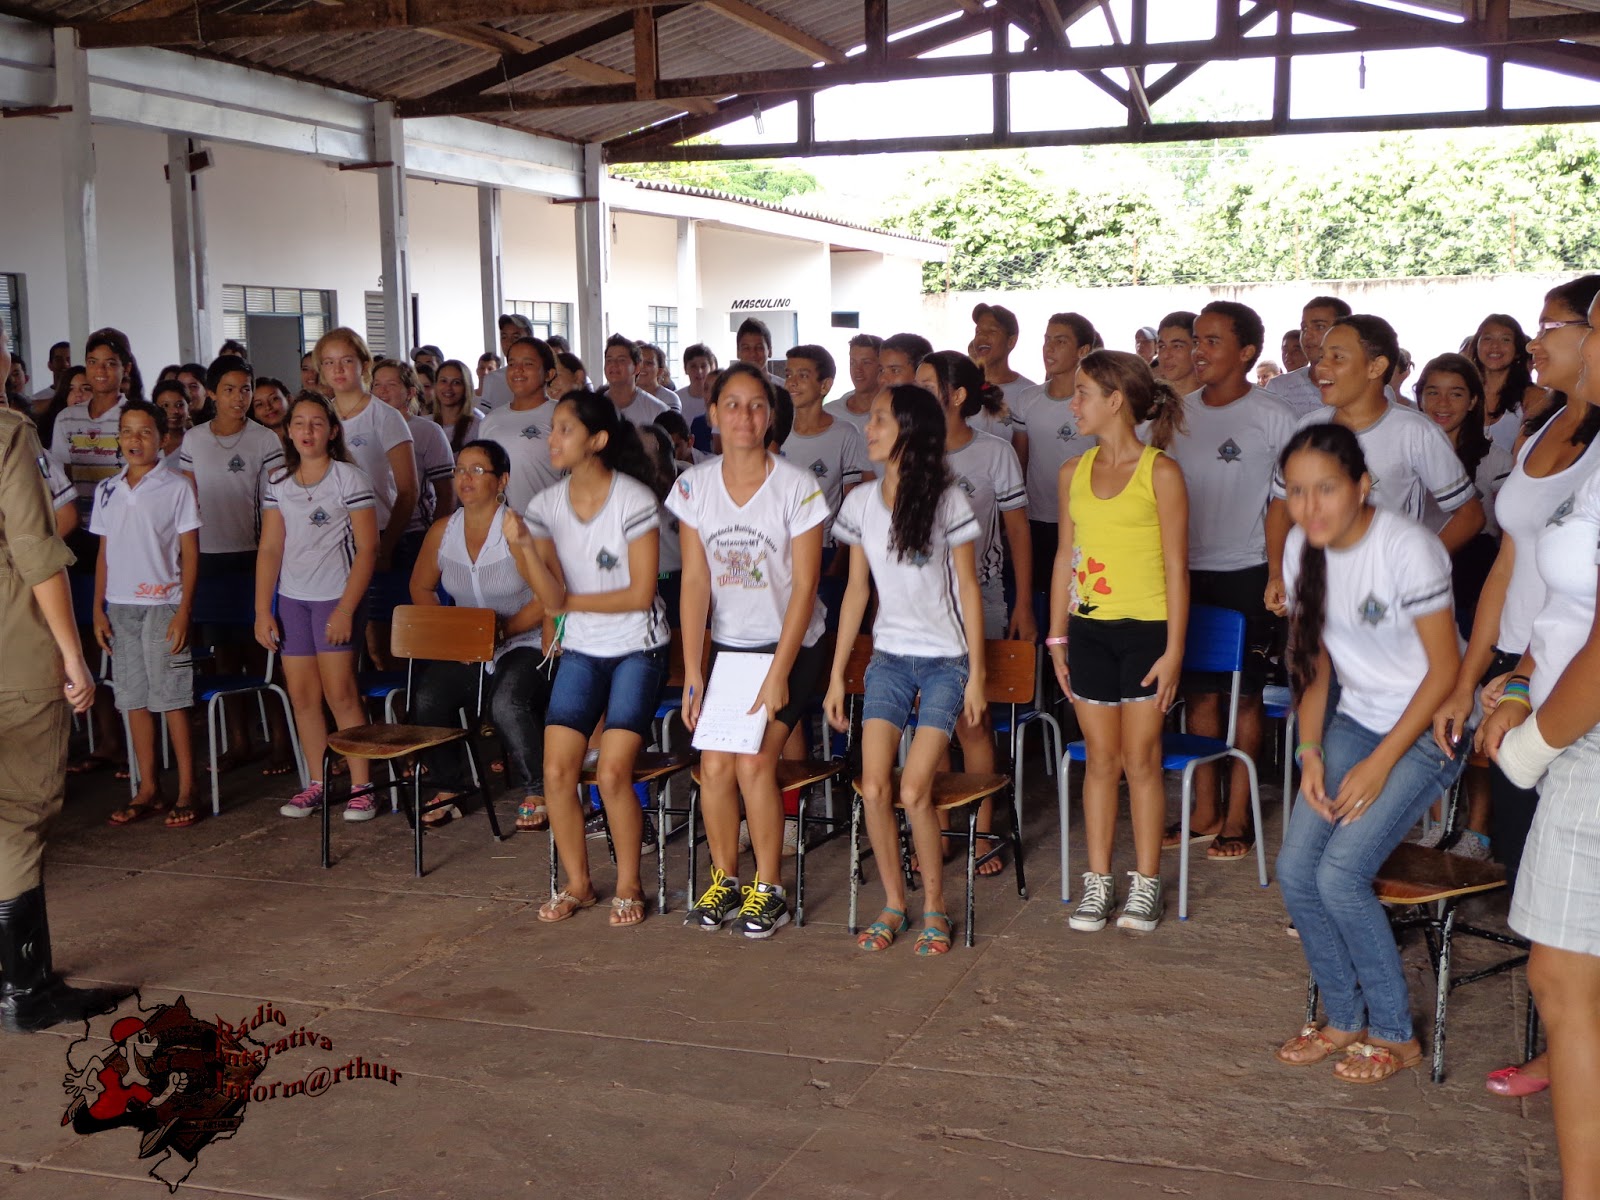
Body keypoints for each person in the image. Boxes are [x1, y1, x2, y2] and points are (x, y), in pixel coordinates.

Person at [1440, 275, 1600, 1100]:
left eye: (1558, 326)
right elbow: (1509, 561)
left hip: (1575, 688)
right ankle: (1564, 1039)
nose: (1539, 342)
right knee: (1530, 862)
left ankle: (1569, 1044)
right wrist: (1481, 675)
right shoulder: (1543, 428)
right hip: (1528, 664)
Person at [1272, 423, 1464, 1084]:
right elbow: (1316, 665)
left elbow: (1445, 671)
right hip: (1354, 717)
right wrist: (1311, 752)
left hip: (1428, 728)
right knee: (1296, 871)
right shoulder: (1300, 546)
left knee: (1340, 875)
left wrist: (1379, 765)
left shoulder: (1408, 547)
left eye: (1325, 489)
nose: (1310, 506)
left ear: (1362, 485)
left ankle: (1394, 1033)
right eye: (1297, 491)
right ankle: (1345, 1018)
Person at [1479, 281, 1600, 1194]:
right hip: (1562, 711)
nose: (1577, 343)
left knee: (1563, 978)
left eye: (1586, 328)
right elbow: (1557, 600)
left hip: (1583, 735)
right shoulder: (1565, 443)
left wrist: (1534, 745)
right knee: (1566, 976)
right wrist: (1517, 678)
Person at [825, 385, 986, 955]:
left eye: (879, 420)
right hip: (888, 660)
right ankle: (894, 903)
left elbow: (969, 589)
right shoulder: (859, 503)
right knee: (873, 786)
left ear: (909, 432)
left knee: (915, 789)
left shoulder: (950, 501)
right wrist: (837, 674)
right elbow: (855, 592)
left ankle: (935, 907)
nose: (867, 429)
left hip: (945, 661)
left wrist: (978, 675)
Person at [671, 363, 829, 938]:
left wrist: (779, 671)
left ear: (771, 416)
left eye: (757, 404)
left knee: (756, 761)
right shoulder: (693, 486)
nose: (745, 415)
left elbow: (806, 587)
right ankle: (725, 880)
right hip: (731, 650)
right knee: (713, 765)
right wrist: (694, 670)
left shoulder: (797, 486)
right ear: (712, 414)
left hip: (793, 645)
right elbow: (695, 582)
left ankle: (770, 889)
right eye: (732, 404)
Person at [503, 391, 670, 928]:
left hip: (637, 648)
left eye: (565, 430)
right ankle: (578, 884)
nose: (552, 439)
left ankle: (629, 884)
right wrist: (523, 547)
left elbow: (640, 594)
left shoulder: (633, 498)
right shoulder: (544, 507)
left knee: (613, 772)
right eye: (552, 428)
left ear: (597, 440)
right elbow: (550, 595)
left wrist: (568, 603)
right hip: (581, 648)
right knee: (556, 771)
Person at [0, 349, 130, 1033]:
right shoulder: (6, 434)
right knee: (19, 813)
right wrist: (73, 655)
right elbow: (35, 549)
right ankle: (26, 991)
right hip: (12, 651)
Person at [1047, 351, 1189, 934]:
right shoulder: (1071, 471)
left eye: (1082, 392)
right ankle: (1098, 882)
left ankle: (1147, 884)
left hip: (1146, 635)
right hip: (1088, 633)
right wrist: (1056, 636)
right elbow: (1065, 555)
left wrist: (1174, 651)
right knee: (1100, 761)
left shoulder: (1161, 472)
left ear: (1114, 400)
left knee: (1141, 760)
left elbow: (1178, 567)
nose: (1072, 403)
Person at [1166, 300, 1297, 860]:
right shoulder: (1175, 413)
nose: (1199, 351)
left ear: (1247, 353)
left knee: (1244, 699)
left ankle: (1238, 816)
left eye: (1212, 341)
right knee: (1199, 696)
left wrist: (1277, 572)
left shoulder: (1273, 417)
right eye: (1196, 339)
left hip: (1247, 573)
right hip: (1184, 573)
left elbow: (1285, 503)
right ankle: (1205, 810)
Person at [1265, 316, 1485, 616]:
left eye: (1337, 357)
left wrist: (1415, 565)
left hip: (1384, 599)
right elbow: (1280, 505)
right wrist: (1277, 574)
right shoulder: (1308, 428)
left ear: (1376, 367)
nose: (1321, 367)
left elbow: (1470, 515)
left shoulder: (1414, 431)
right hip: (1317, 591)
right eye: (1322, 357)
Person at [919, 350, 1033, 872]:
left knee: (972, 721)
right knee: (932, 724)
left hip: (977, 599)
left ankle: (984, 830)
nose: (915, 391)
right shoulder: (910, 448)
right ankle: (941, 830)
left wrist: (1023, 602)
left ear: (957, 395)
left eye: (926, 384)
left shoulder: (994, 453)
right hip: (920, 606)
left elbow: (1017, 532)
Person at [408, 439, 550, 833]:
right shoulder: (443, 531)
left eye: (477, 470)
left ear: (502, 480)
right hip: (468, 648)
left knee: (507, 703)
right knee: (428, 698)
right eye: (459, 470)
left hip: (523, 642)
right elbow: (421, 587)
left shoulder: (519, 529)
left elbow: (546, 599)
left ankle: (539, 790)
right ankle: (450, 788)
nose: (464, 478)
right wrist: (453, 635)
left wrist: (500, 632)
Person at [255, 394, 380, 822]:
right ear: (288, 431)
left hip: (335, 597)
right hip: (293, 600)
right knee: (303, 697)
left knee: (341, 693)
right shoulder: (278, 481)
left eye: (316, 423)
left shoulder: (349, 478)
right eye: (299, 423)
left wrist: (345, 610)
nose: (307, 431)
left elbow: (368, 549)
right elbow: (270, 548)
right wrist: (263, 610)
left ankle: (363, 787)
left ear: (332, 431)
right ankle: (317, 781)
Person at [90, 401, 202, 828]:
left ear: (163, 439)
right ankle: (149, 787)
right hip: (121, 608)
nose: (134, 440)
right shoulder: (107, 489)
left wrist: (183, 611)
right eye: (126, 431)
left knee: (171, 699)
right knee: (133, 699)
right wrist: (98, 608)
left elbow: (190, 554)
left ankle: (188, 789)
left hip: (164, 605)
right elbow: (103, 554)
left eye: (144, 432)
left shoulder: (177, 487)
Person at [180, 355, 292, 775]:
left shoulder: (264, 440)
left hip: (254, 555)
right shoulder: (194, 440)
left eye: (245, 389)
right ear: (211, 393)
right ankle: (240, 741)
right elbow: (187, 500)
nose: (239, 398)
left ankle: (280, 742)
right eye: (229, 389)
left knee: (263, 653)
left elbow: (277, 502)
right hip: (208, 558)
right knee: (224, 656)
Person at [315, 329, 417, 655]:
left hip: (380, 535)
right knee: (339, 645)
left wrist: (385, 547)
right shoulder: (318, 417)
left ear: (364, 364)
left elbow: (408, 490)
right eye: (329, 362)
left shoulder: (384, 416)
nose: (338, 369)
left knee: (382, 648)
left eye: (346, 360)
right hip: (332, 539)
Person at [1415, 353, 1513, 641]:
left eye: (1456, 394)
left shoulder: (1496, 460)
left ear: (1472, 401)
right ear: (1420, 398)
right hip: (1407, 574)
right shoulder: (1403, 452)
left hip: (1471, 581)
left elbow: (1506, 536)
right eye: (1433, 392)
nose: (1443, 404)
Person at [1009, 312, 1094, 575]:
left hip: (1085, 518)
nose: (1049, 348)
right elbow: (1020, 461)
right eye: (1047, 340)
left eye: (1061, 341)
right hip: (1036, 517)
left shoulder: (1097, 403)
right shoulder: (1027, 399)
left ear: (1083, 350)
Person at [779, 344, 870, 546]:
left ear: (825, 386)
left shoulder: (845, 434)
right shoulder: (775, 429)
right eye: (788, 375)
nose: (792, 382)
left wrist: (840, 556)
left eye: (802, 376)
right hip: (779, 545)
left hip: (822, 546)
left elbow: (852, 502)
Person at [372, 358, 456, 539]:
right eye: (377, 384)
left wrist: (435, 538)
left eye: (391, 384)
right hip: (371, 529)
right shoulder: (364, 429)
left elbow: (446, 492)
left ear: (410, 392)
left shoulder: (427, 431)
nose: (382, 391)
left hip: (413, 533)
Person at [477, 337, 561, 513]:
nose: (518, 370)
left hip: (550, 524)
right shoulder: (490, 420)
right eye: (512, 364)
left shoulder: (562, 414)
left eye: (528, 364)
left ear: (549, 374)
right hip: (502, 525)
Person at [1468, 314, 1548, 453]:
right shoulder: (1463, 392)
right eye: (1487, 338)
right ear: (1476, 346)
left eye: (1505, 340)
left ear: (1518, 351)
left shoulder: (1533, 396)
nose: (1495, 346)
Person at [1268, 297, 1351, 417]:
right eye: (1304, 328)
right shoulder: (1278, 388)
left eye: (1319, 327)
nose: (1307, 335)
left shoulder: (1365, 387)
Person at [971, 303, 1035, 416]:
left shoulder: (1030, 393)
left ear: (1011, 341)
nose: (981, 336)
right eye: (978, 332)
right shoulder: (961, 388)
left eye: (992, 331)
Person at [601, 336, 669, 426]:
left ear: (637, 368)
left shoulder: (657, 410)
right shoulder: (594, 406)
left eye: (621, 360)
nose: (614, 364)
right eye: (609, 360)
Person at [823, 334, 883, 435]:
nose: (858, 370)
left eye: (866, 363)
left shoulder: (894, 414)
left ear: (881, 367)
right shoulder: (830, 412)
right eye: (853, 363)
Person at [479, 314, 535, 410]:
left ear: (530, 339)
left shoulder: (542, 376)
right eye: (504, 337)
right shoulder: (492, 379)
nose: (508, 342)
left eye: (516, 337)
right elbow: (485, 415)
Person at [433, 359, 482, 452]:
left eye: (456, 382)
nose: (448, 387)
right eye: (443, 381)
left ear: (466, 387)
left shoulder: (479, 427)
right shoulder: (424, 424)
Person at [150, 380, 192, 472]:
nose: (174, 411)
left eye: (179, 405)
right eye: (165, 405)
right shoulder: (148, 441)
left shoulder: (195, 442)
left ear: (189, 406)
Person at [1155, 311, 1199, 397]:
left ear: (1197, 348)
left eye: (1177, 346)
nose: (1166, 355)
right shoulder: (1147, 401)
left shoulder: (1218, 401)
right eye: (1162, 346)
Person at [676, 344, 716, 435]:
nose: (699, 371)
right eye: (693, 366)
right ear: (685, 369)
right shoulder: (677, 399)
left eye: (703, 366)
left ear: (711, 368)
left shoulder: (719, 399)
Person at [735, 318, 783, 386]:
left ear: (770, 351)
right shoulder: (727, 388)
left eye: (759, 348)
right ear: (738, 352)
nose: (753, 354)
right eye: (746, 348)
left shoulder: (784, 388)